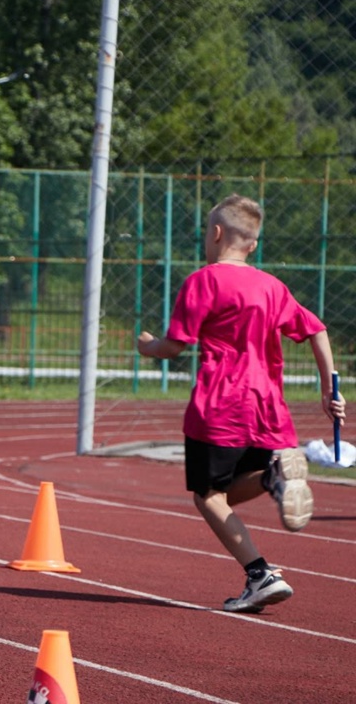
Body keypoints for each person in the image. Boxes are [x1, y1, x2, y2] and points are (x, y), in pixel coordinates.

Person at [137, 193, 346, 614]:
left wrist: (147, 346)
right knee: (228, 491)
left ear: (215, 234)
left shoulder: (203, 281)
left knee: (207, 495)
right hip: (268, 406)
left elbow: (175, 347)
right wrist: (330, 390)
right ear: (252, 244)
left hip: (220, 404)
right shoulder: (272, 286)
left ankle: (260, 573)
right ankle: (274, 475)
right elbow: (317, 331)